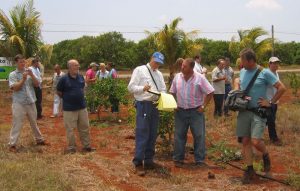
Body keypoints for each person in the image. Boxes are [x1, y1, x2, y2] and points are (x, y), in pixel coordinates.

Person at [237, 48, 286, 184]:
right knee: (245, 141)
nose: (241, 63)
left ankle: (265, 154)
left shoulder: (264, 72)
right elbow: (239, 83)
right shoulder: (242, 72)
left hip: (258, 111)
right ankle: (249, 169)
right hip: (244, 111)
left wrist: (270, 102)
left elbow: (282, 88)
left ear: (250, 60)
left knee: (256, 141)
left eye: (243, 60)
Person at [170, 58, 214, 167]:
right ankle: (178, 159)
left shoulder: (200, 78)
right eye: (182, 65)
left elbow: (210, 91)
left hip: (196, 112)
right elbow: (172, 92)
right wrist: (174, 104)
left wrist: (203, 106)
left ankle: (199, 160)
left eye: (184, 66)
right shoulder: (177, 77)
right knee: (179, 135)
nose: (182, 67)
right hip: (180, 111)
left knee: (199, 135)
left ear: (191, 68)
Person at [128, 52, 166, 176]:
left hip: (155, 106)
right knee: (143, 132)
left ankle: (149, 160)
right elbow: (131, 87)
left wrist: (162, 95)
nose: (157, 65)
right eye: (156, 62)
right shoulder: (140, 70)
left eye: (159, 63)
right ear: (151, 59)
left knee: (153, 133)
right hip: (143, 105)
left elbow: (163, 89)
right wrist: (142, 88)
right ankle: (138, 162)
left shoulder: (159, 74)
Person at [8, 54, 48, 152]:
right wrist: (23, 79)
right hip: (19, 103)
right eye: (20, 62)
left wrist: (32, 75)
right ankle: (12, 144)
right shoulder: (13, 74)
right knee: (17, 123)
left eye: (24, 61)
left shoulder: (30, 72)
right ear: (16, 63)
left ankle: (39, 140)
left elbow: (37, 84)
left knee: (34, 122)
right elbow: (15, 88)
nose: (23, 63)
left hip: (30, 101)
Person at [56, 59, 95, 154]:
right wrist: (68, 98)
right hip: (69, 109)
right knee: (70, 128)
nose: (78, 67)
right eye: (75, 65)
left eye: (78, 65)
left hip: (82, 107)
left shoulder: (81, 77)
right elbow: (59, 92)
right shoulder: (63, 79)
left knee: (84, 127)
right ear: (69, 67)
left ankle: (87, 146)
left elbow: (82, 88)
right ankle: (71, 147)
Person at [266, 57, 282, 146]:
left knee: (271, 120)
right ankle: (274, 138)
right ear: (269, 64)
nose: (276, 65)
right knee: (271, 121)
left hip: (274, 101)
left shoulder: (276, 73)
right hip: (268, 101)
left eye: (277, 63)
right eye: (274, 63)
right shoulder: (267, 74)